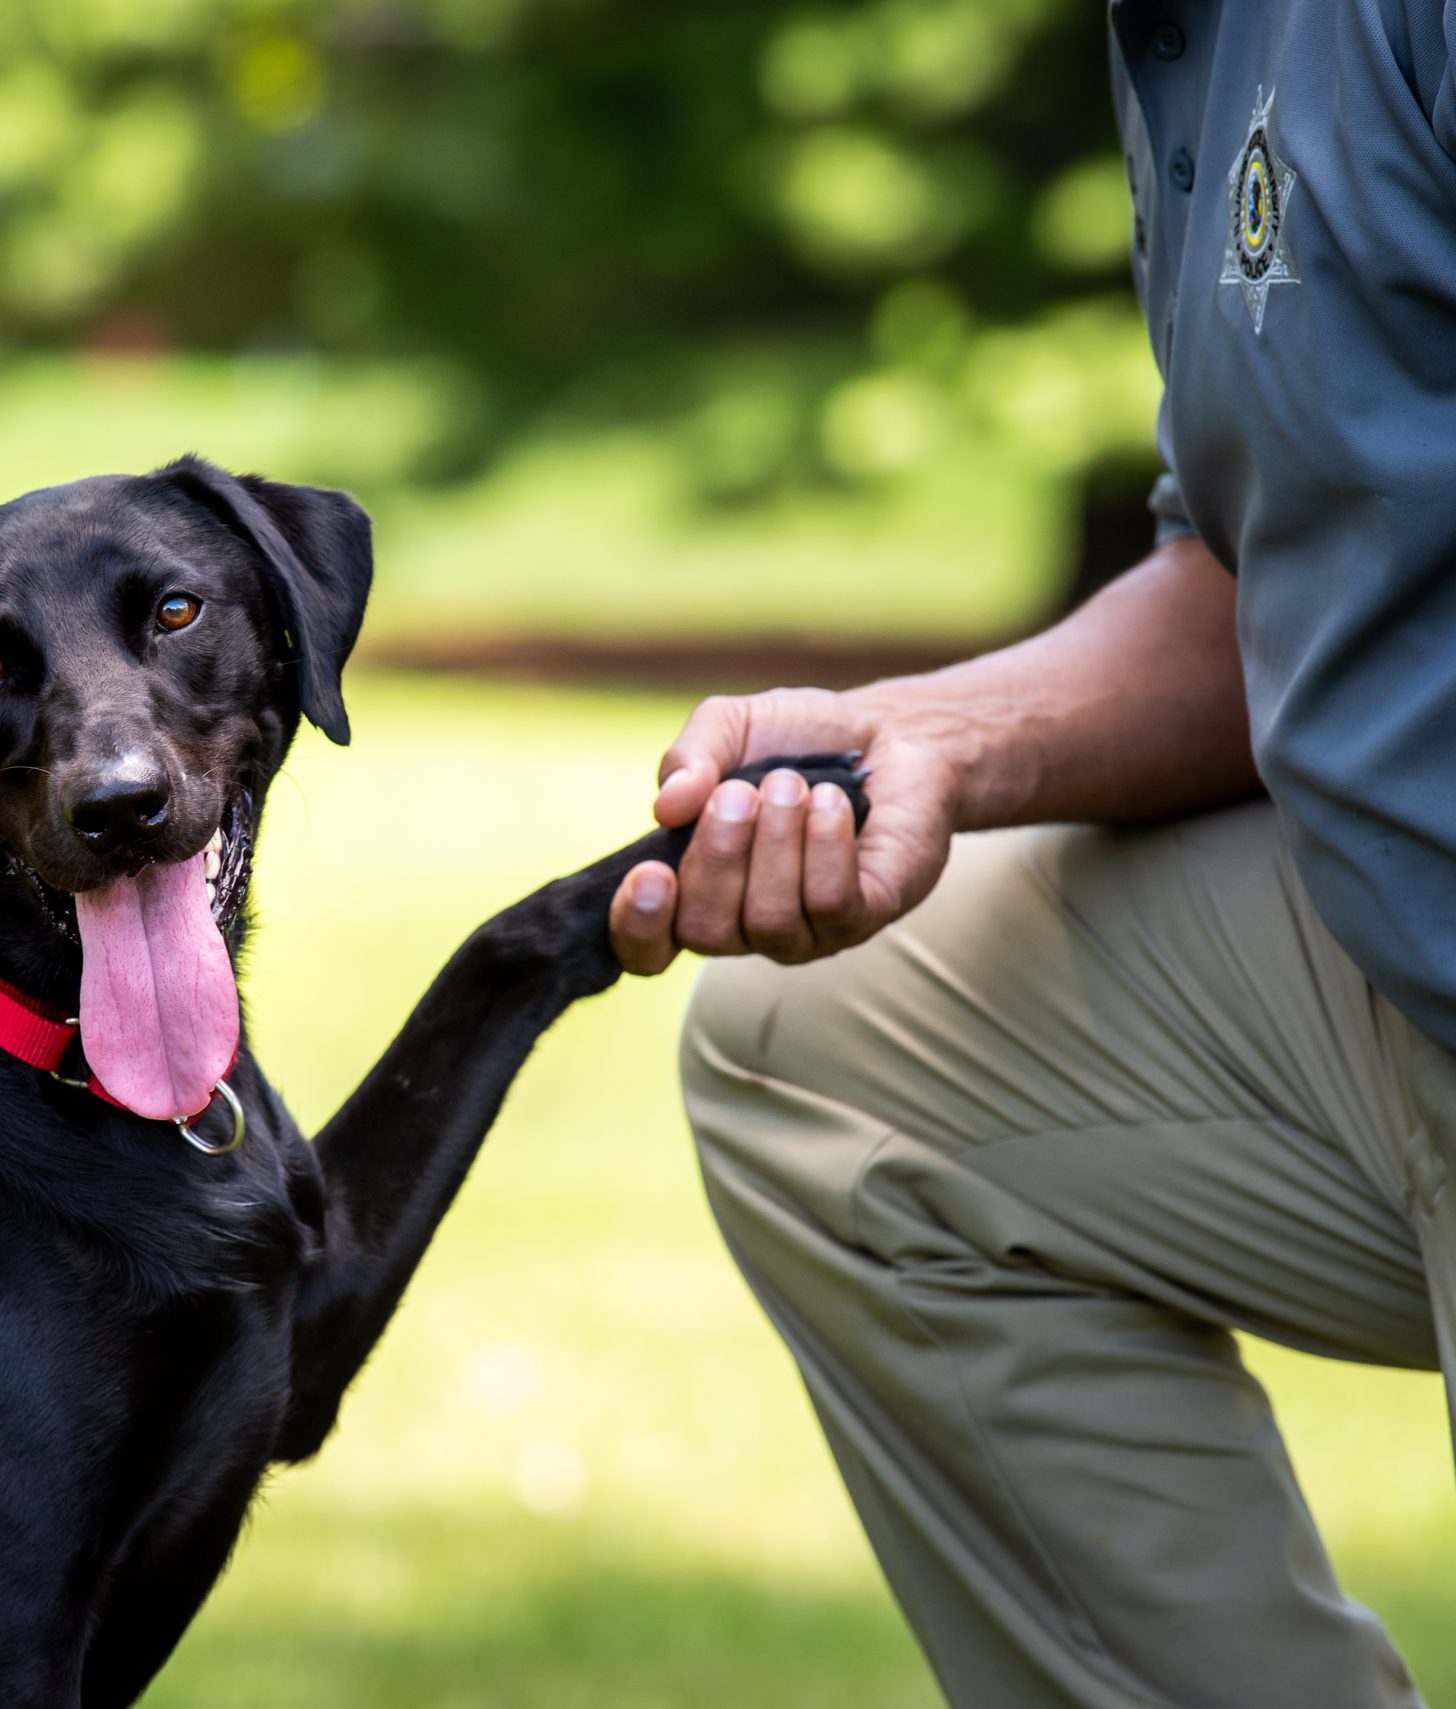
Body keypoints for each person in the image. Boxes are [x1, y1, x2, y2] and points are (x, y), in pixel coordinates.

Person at [602, 4, 1456, 1704]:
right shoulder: (1192, 38)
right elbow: (1265, 571)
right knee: (832, 1058)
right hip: (1400, 972)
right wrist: (928, 738)